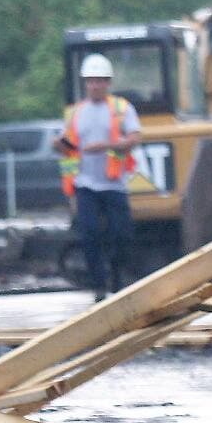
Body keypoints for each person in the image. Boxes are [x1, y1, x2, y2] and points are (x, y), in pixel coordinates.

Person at [58, 53, 144, 300]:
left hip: (114, 184)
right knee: (89, 234)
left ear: (108, 83)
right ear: (85, 83)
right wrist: (70, 191)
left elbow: (135, 138)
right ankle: (98, 285)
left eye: (100, 81)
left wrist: (107, 145)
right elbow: (68, 150)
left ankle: (117, 277)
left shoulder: (121, 109)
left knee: (121, 234)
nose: (95, 85)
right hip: (85, 185)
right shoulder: (74, 113)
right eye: (91, 81)